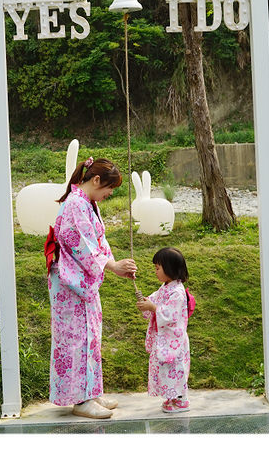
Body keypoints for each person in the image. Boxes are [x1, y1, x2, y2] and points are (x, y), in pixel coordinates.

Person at [48, 156, 137, 419]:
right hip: (70, 283)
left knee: (90, 336)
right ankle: (80, 399)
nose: (110, 193)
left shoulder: (86, 203)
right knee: (76, 340)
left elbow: (98, 243)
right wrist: (112, 266)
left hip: (81, 282)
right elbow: (83, 246)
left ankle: (91, 390)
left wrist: (115, 265)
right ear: (96, 180)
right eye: (110, 188)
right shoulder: (76, 204)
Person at [136, 247, 192, 413]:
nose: (156, 271)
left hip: (174, 341)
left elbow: (171, 314)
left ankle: (181, 400)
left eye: (157, 268)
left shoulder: (178, 292)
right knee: (167, 370)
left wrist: (153, 307)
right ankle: (171, 397)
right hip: (165, 340)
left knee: (176, 368)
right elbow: (155, 299)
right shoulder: (166, 287)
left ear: (169, 269)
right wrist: (147, 302)